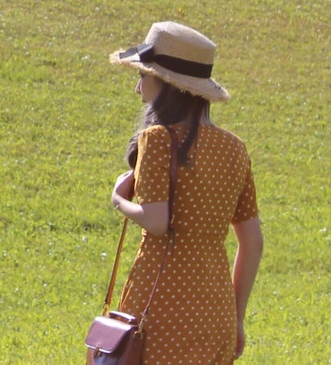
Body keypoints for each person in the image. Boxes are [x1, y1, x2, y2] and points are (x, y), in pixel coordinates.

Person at [107, 22, 264, 364]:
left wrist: (119, 201)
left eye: (144, 75)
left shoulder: (159, 139)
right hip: (216, 308)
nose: (138, 87)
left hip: (160, 305)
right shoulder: (235, 149)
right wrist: (236, 317)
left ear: (167, 84)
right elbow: (252, 241)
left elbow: (157, 222)